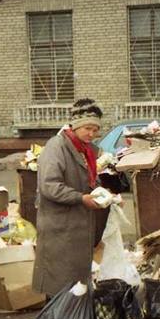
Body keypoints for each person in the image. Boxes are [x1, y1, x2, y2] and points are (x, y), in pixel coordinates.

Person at [32, 98, 103, 296]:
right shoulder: (57, 147)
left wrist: (104, 195)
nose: (92, 134)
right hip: (59, 228)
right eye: (88, 128)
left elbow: (89, 180)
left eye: (95, 129)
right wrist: (81, 198)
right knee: (58, 286)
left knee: (74, 286)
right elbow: (49, 186)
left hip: (77, 228)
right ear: (76, 126)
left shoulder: (85, 150)